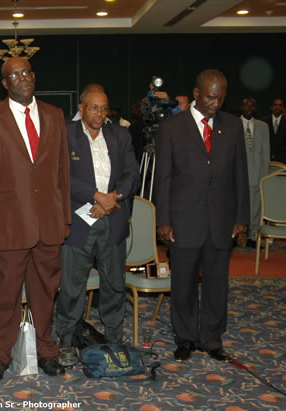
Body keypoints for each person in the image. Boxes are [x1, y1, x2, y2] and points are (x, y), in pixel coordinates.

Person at [0, 56, 71, 381]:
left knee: (46, 292)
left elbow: (62, 172)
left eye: (27, 71)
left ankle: (47, 351)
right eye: (14, 75)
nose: (23, 78)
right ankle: (0, 355)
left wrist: (65, 217)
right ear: (5, 84)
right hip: (8, 223)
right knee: (6, 293)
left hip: (49, 222)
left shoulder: (55, 115)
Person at [154, 69, 249, 363]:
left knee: (217, 285)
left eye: (220, 97)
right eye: (210, 96)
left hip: (221, 221)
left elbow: (240, 176)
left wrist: (241, 217)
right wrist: (164, 221)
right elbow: (164, 179)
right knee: (182, 285)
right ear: (196, 93)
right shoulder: (172, 128)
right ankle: (185, 338)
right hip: (183, 221)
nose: (215, 103)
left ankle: (211, 338)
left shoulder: (231, 126)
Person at [55, 89, 139, 350]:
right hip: (78, 222)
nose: (100, 114)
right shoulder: (65, 134)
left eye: (103, 109)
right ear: (81, 108)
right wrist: (95, 196)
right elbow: (60, 176)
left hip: (111, 219)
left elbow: (132, 174)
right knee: (72, 286)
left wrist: (111, 198)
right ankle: (68, 339)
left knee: (114, 284)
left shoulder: (120, 135)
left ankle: (114, 337)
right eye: (94, 108)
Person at [240, 97, 270, 248]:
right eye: (246, 104)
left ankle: (253, 236)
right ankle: (234, 236)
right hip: (238, 174)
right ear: (241, 107)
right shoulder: (233, 125)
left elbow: (266, 153)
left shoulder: (263, 126)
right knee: (236, 205)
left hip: (257, 174)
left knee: (256, 207)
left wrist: (263, 177)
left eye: (252, 105)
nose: (249, 107)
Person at [264, 97, 285, 162]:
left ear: (283, 107)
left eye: (280, 105)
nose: (277, 107)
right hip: (267, 159)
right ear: (271, 107)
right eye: (275, 105)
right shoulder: (263, 122)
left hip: (284, 161)